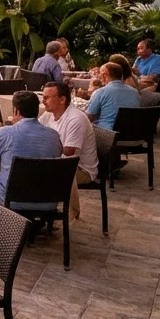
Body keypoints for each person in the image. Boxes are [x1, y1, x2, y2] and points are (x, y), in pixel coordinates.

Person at [0, 91, 62, 207]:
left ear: (16, 111)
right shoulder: (54, 136)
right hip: (48, 201)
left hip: (13, 199)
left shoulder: (7, 132)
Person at [40, 82, 98, 218]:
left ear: (62, 99)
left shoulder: (75, 119)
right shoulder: (49, 114)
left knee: (36, 174)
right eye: (43, 97)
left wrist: (44, 145)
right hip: (59, 163)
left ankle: (44, 214)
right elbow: (37, 130)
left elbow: (69, 152)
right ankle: (38, 214)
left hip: (81, 169)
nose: (43, 101)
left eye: (47, 97)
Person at [86, 62, 140, 130]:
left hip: (108, 134)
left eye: (100, 74)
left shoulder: (100, 92)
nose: (99, 76)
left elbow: (88, 118)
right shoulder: (134, 92)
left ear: (105, 75)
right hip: (132, 131)